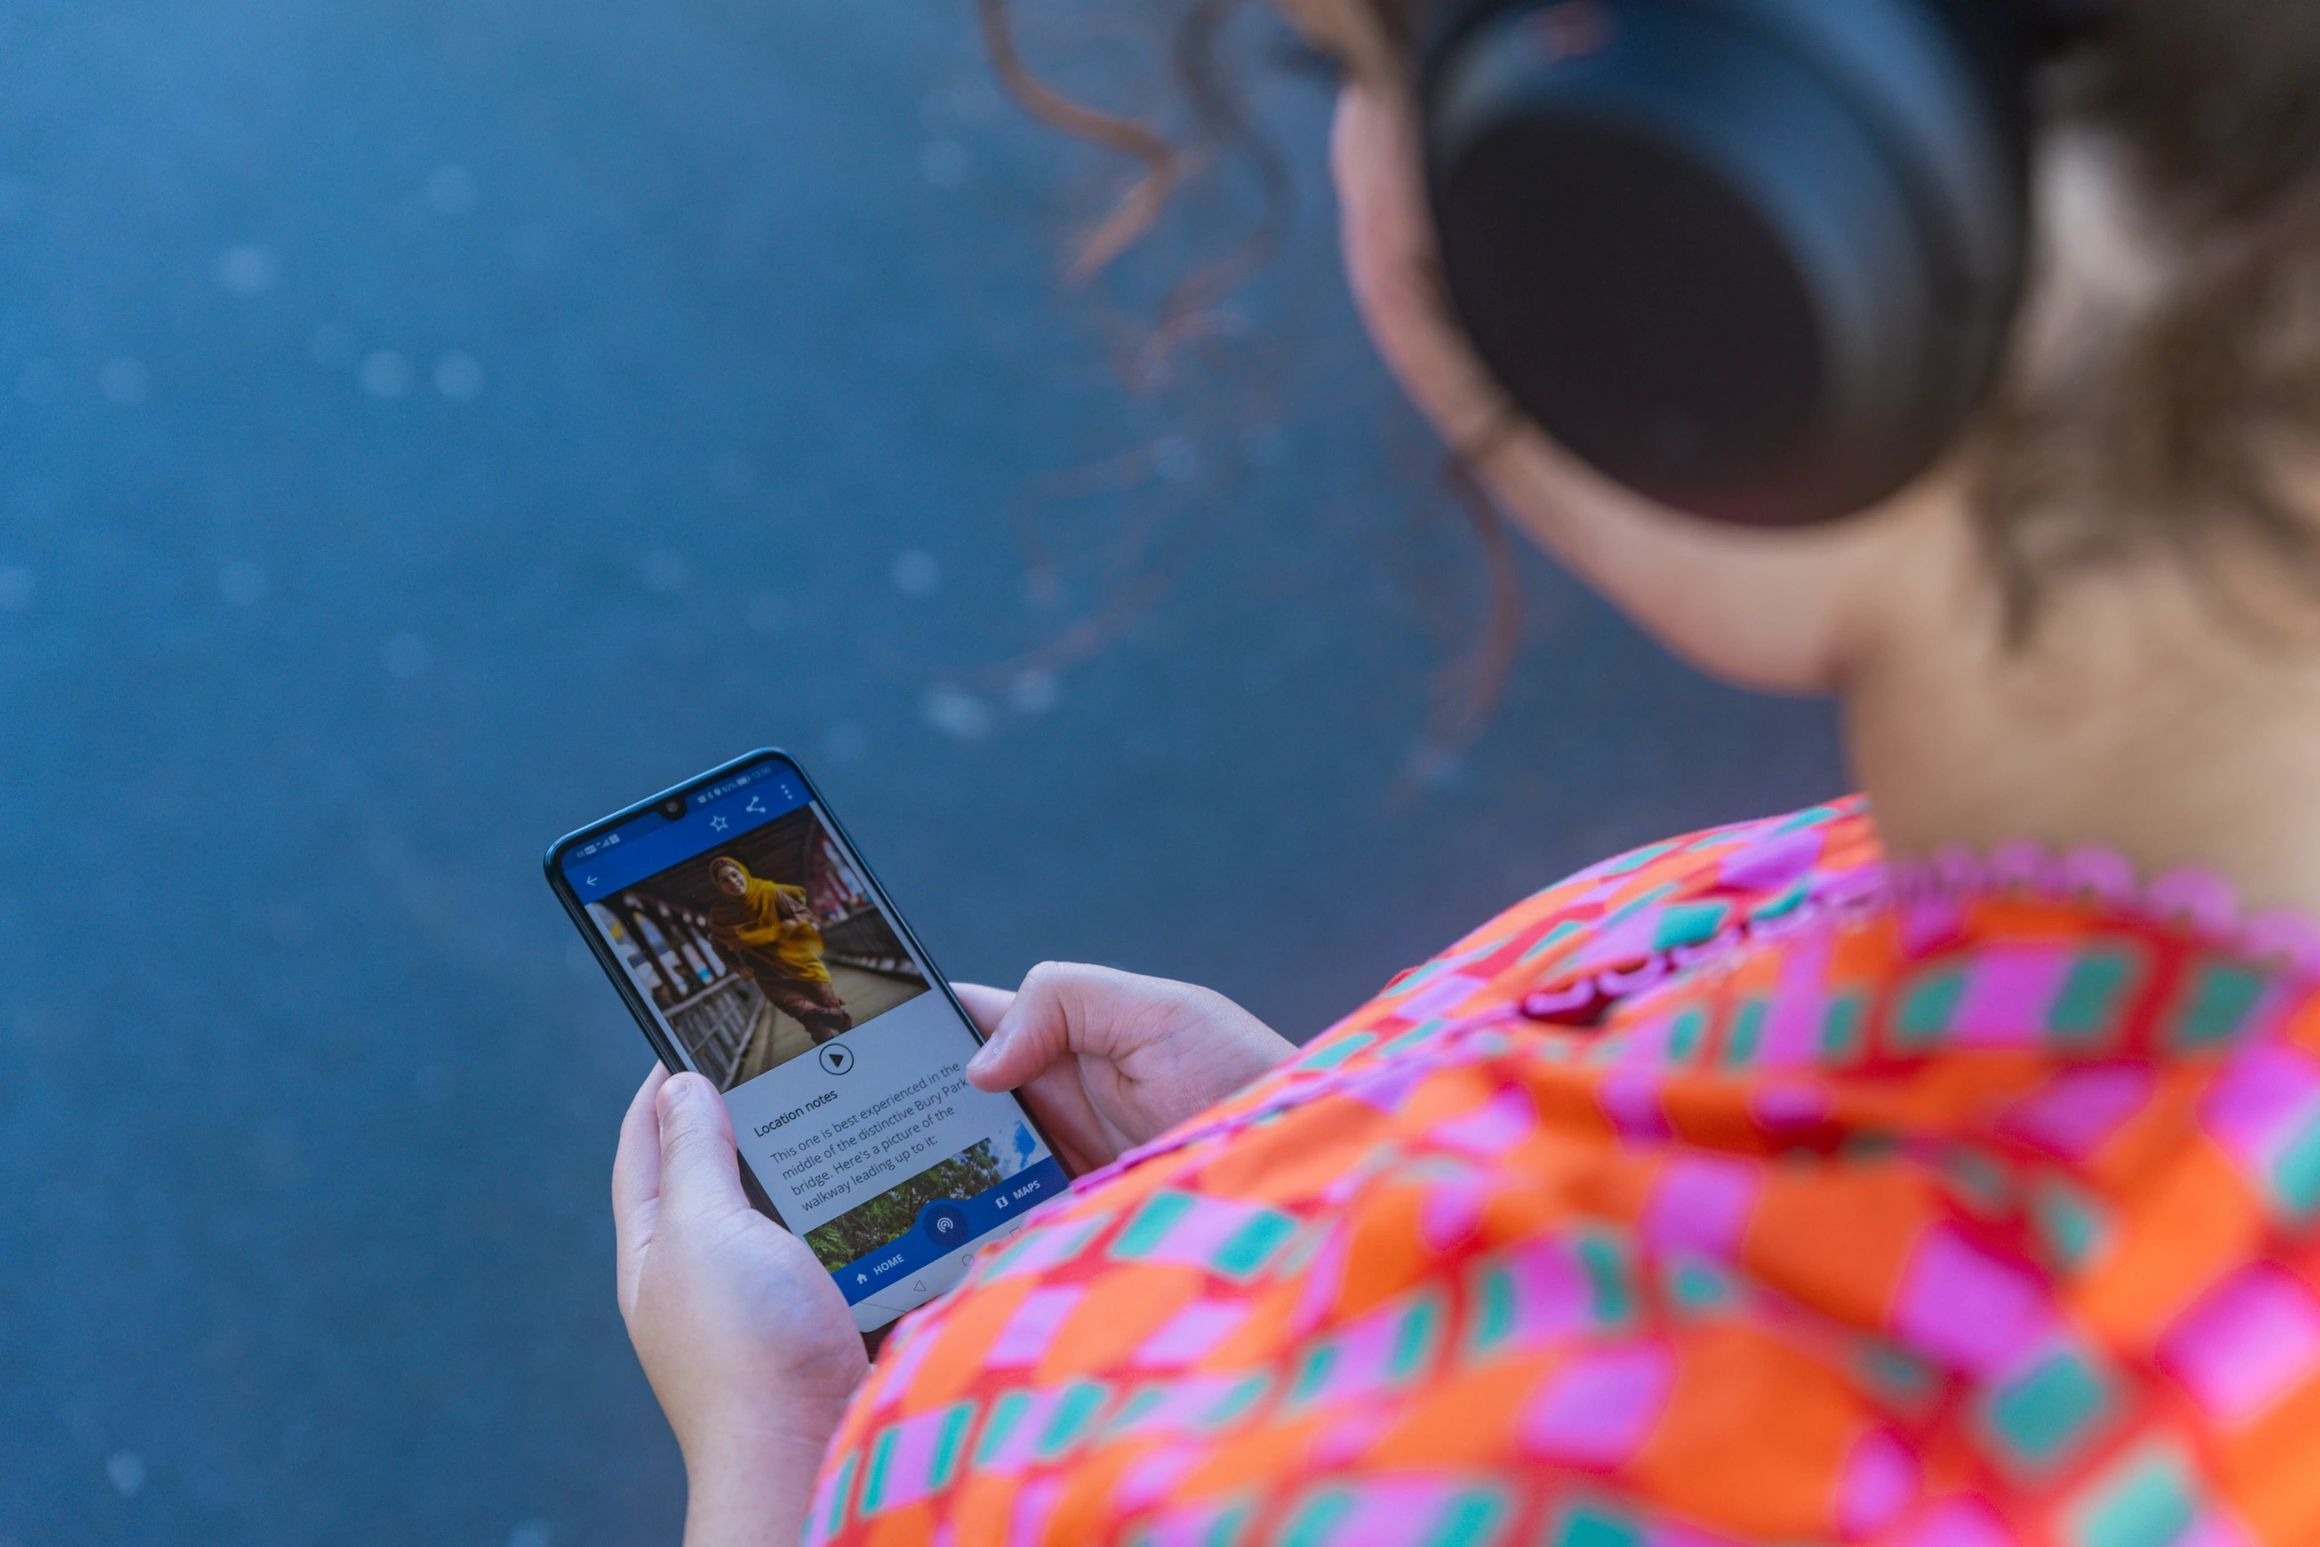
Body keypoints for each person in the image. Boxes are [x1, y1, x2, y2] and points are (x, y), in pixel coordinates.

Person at [611, 1, 2320, 1541]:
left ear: (1722, 197)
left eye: (1355, 69)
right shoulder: (2080, 866)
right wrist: (1303, 1167)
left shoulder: (1463, 1483)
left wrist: (789, 1455)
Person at [705, 855, 854, 1047]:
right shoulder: (719, 917)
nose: (733, 882)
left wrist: (790, 925)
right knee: (807, 1015)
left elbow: (804, 914)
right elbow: (719, 947)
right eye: (725, 880)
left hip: (802, 964)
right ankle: (838, 1029)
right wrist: (738, 967)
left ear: (743, 872)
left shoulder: (769, 892)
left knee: (827, 1007)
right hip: (769, 976)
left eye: (735, 874)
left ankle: (848, 1042)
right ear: (719, 886)